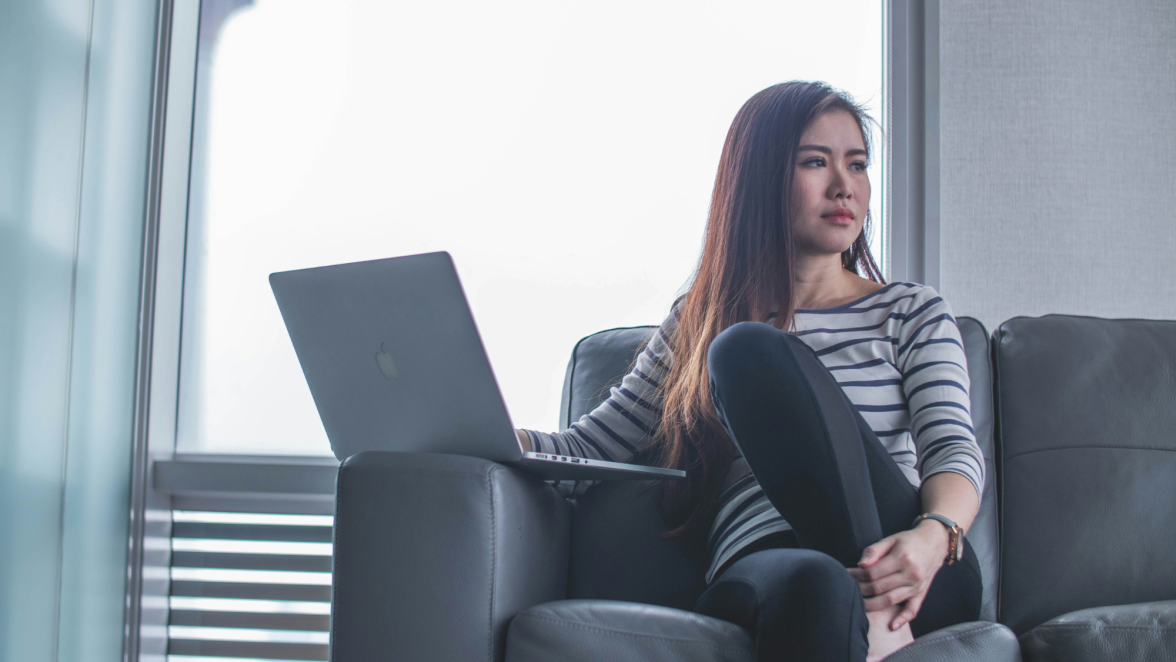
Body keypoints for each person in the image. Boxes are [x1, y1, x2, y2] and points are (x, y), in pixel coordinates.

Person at [516, 81, 983, 662]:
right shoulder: (701, 320)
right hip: (769, 560)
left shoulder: (911, 311)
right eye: (816, 162)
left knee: (746, 352)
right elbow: (586, 451)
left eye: (857, 165)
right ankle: (872, 622)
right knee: (818, 579)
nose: (845, 186)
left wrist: (934, 535)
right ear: (760, 180)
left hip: (915, 568)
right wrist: (483, 430)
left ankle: (880, 609)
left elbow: (953, 450)